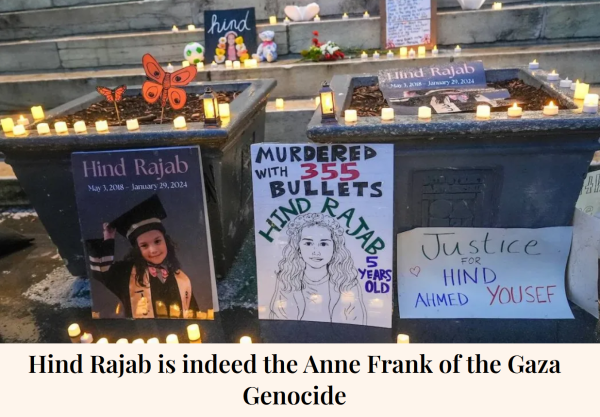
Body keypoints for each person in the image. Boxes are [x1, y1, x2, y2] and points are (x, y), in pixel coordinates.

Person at [86, 195, 199, 319]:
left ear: (166, 241)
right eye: (144, 245)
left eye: (157, 241)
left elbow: (193, 312)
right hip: (142, 334)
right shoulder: (126, 274)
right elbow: (101, 272)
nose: (153, 250)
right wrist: (108, 239)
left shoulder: (181, 278)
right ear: (137, 250)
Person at [269, 213, 366, 324]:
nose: (316, 251)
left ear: (335, 248)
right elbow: (278, 323)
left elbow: (356, 327)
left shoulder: (347, 282)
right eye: (308, 243)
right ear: (298, 248)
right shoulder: (286, 280)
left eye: (323, 244)